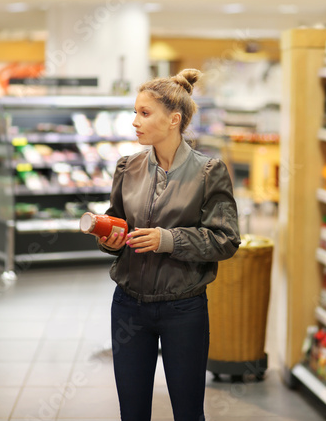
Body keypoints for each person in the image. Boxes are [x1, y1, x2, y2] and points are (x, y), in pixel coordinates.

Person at [97, 68, 240, 421]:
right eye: (135, 112)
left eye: (144, 113)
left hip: (184, 308)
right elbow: (117, 227)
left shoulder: (209, 172)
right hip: (128, 306)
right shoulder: (126, 167)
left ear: (174, 119)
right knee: (132, 412)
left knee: (188, 412)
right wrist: (110, 239)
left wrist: (169, 240)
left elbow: (226, 240)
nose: (135, 122)